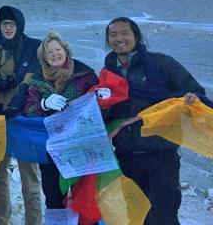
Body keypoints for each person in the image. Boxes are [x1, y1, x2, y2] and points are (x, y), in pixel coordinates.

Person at [103, 17, 209, 224]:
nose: (119, 39)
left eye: (125, 33)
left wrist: (191, 100)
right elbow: (108, 114)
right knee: (135, 215)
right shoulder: (108, 73)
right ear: (108, 40)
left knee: (164, 214)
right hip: (126, 157)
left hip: (161, 155)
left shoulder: (162, 64)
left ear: (136, 36)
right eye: (113, 35)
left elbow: (194, 92)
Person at [20, 31, 98, 210]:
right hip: (51, 149)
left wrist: (102, 100)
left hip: (81, 147)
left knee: (84, 197)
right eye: (50, 52)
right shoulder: (38, 79)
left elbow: (100, 108)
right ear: (44, 57)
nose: (55, 54)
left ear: (65, 50)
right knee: (54, 198)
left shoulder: (84, 74)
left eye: (57, 49)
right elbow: (29, 111)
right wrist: (44, 104)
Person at [0, 6, 42, 225]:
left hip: (23, 119)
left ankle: (34, 222)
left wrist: (13, 106)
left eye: (12, 24)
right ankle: (1, 220)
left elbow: (31, 83)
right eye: (4, 24)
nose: (8, 28)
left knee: (29, 178)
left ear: (19, 25)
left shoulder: (34, 48)